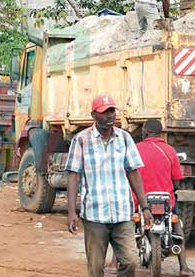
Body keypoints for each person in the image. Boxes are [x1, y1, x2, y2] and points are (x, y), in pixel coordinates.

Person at [66, 94, 152, 277]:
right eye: (105, 112)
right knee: (96, 268)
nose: (110, 115)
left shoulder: (125, 138)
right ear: (94, 115)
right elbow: (73, 175)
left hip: (123, 214)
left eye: (112, 110)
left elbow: (133, 172)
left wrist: (145, 207)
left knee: (130, 261)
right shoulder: (81, 140)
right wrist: (71, 211)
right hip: (95, 216)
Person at [135, 119, 193, 277]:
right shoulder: (170, 150)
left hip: (140, 200)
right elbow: (177, 179)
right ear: (160, 132)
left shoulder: (135, 149)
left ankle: (113, 263)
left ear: (145, 131)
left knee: (124, 225)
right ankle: (184, 267)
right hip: (165, 200)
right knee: (176, 224)